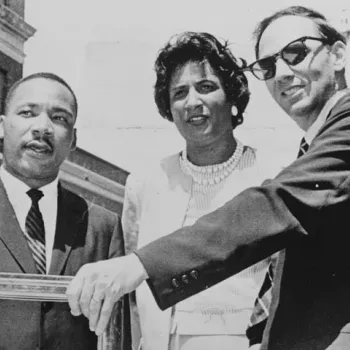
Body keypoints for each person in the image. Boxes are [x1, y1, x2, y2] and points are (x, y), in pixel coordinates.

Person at [67, 5, 350, 350]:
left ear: (338, 54)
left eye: (297, 53)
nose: (283, 73)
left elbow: (278, 206)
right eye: (269, 65)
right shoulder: (146, 182)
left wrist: (141, 264)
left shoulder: (293, 164)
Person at [121, 31, 276, 350]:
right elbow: (135, 289)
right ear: (168, 107)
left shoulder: (272, 177)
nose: (192, 102)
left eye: (206, 87)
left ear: (232, 97)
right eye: (179, 92)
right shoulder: (145, 183)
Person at [0, 72, 127, 350]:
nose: (42, 127)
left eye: (59, 118)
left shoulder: (103, 227)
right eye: (27, 112)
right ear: (2, 125)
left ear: (73, 140)